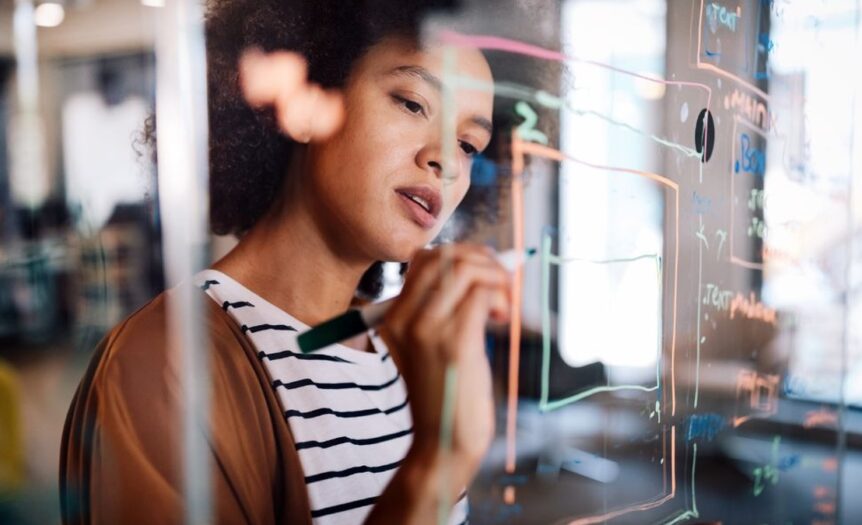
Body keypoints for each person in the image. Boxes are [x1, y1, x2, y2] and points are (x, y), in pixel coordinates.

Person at [60, 0, 511, 524]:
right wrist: (435, 465)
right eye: (412, 104)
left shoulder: (409, 351)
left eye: (469, 144)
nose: (445, 162)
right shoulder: (163, 366)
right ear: (305, 103)